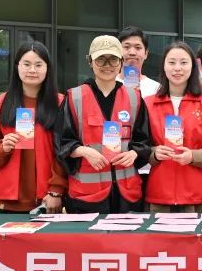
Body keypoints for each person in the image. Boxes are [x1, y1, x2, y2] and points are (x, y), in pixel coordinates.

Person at [57, 35, 151, 214]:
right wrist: (84, 151)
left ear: (121, 62)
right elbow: (61, 142)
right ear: (90, 62)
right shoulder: (74, 98)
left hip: (127, 195)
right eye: (101, 59)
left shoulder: (134, 98)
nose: (107, 65)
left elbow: (145, 141)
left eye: (113, 59)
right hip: (87, 197)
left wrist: (134, 153)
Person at [0, 42, 67, 214]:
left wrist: (56, 189)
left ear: (47, 69)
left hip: (49, 198)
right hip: (11, 200)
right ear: (17, 67)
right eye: (26, 64)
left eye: (38, 65)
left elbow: (66, 151)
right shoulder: (1, 104)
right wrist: (2, 148)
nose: (32, 70)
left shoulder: (60, 103)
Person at [145, 42, 202, 212]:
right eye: (171, 62)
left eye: (183, 62)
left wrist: (193, 156)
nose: (177, 68)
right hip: (160, 197)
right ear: (164, 66)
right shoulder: (148, 104)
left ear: (193, 67)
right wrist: (154, 153)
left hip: (200, 198)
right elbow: (140, 146)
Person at [118, 26, 160, 98]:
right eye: (127, 47)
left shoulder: (156, 89)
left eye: (138, 48)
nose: (132, 53)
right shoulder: (108, 85)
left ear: (146, 53)